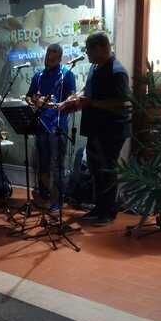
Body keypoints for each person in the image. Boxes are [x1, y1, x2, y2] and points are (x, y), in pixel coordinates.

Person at [59, 32, 131, 224]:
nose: (87, 54)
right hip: (95, 128)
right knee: (95, 169)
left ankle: (107, 213)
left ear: (99, 48)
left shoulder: (117, 71)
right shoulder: (95, 67)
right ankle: (99, 208)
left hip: (111, 130)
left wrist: (92, 103)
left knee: (107, 170)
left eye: (88, 50)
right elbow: (88, 92)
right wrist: (76, 100)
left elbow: (122, 103)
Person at [26, 43, 76, 210]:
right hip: (40, 126)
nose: (49, 58)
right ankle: (44, 196)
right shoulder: (38, 75)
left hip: (57, 128)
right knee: (42, 164)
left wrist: (59, 104)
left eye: (53, 56)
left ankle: (57, 201)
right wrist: (35, 100)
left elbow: (73, 98)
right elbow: (28, 96)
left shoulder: (67, 75)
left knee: (58, 166)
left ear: (60, 58)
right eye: (48, 55)